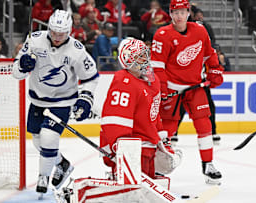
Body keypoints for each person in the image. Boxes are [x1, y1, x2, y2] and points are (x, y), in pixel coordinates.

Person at [12, 10, 99, 194]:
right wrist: (22, 65)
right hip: (38, 100)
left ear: (69, 31)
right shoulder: (34, 40)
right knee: (38, 141)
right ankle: (61, 163)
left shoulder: (76, 50)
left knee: (49, 137)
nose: (57, 37)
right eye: (53, 33)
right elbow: (16, 73)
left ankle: (43, 177)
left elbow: (91, 77)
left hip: (62, 102)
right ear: (48, 28)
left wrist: (86, 98)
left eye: (62, 34)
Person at [150, 0, 224, 185]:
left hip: (195, 87)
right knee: (167, 129)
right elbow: (157, 65)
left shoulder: (200, 31)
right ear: (170, 13)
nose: (179, 16)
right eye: (175, 12)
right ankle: (156, 167)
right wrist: (163, 88)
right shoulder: (162, 34)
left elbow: (209, 54)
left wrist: (214, 69)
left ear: (189, 12)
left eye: (183, 12)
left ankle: (208, 165)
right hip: (172, 89)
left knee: (204, 125)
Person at [100, 38, 182, 178]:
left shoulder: (152, 80)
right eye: (139, 57)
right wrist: (120, 147)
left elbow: (154, 113)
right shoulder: (124, 81)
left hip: (149, 146)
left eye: (145, 55)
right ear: (128, 61)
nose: (145, 60)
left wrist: (161, 138)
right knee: (134, 192)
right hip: (134, 147)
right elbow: (116, 119)